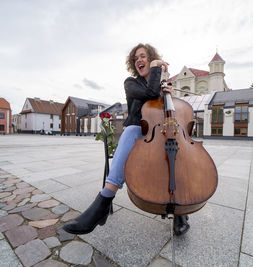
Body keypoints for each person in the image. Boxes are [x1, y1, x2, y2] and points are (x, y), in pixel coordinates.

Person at [63, 43, 190, 236]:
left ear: (150, 58)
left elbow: (170, 118)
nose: (139, 60)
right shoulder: (131, 83)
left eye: (143, 56)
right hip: (138, 137)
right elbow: (150, 93)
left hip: (160, 139)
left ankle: (180, 212)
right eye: (136, 58)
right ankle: (103, 202)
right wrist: (156, 67)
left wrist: (168, 98)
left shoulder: (163, 87)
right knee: (130, 130)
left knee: (175, 151)